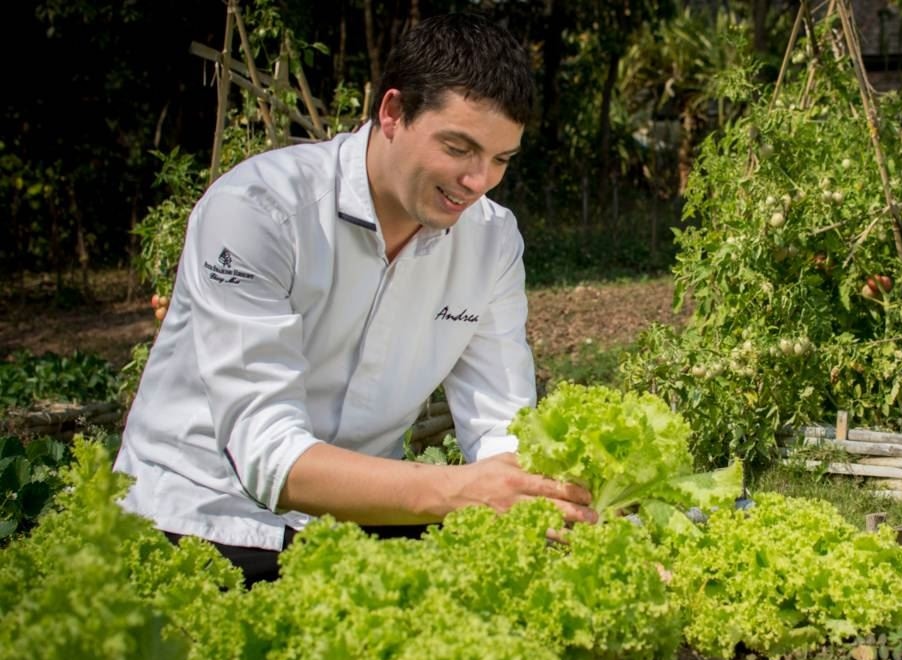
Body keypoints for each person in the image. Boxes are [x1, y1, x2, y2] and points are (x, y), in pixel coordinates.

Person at [115, 13, 595, 586]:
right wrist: (460, 491)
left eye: (500, 160)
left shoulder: (491, 240)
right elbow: (269, 458)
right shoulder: (258, 210)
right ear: (392, 113)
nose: (479, 181)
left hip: (357, 524)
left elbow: (501, 425)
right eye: (459, 148)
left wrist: (544, 504)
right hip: (204, 517)